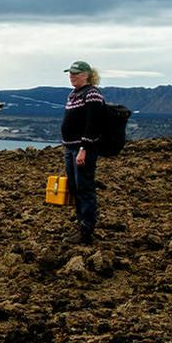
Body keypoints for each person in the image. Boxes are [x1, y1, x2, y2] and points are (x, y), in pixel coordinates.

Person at [61, 61, 106, 245]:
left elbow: (93, 124)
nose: (71, 76)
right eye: (70, 73)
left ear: (87, 75)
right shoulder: (74, 94)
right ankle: (81, 225)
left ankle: (86, 230)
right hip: (70, 148)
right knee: (75, 188)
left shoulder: (92, 94)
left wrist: (83, 149)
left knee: (85, 188)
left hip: (82, 150)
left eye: (75, 73)